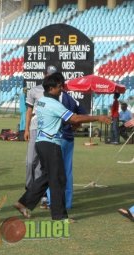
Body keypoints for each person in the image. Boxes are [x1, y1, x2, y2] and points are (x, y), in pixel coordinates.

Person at [13, 73, 111, 221]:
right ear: (51, 88)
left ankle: (23, 203)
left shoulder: (42, 101)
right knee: (58, 179)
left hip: (41, 142)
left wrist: (69, 123)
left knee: (47, 176)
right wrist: (98, 117)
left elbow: (55, 119)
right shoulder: (54, 104)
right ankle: (59, 216)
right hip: (51, 144)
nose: (62, 89)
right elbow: (75, 118)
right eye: (59, 87)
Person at [45, 72, 87, 210]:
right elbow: (82, 114)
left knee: (54, 172)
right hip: (69, 138)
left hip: (56, 139)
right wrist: (75, 125)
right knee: (67, 172)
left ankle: (53, 202)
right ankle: (66, 203)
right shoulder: (71, 99)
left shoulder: (53, 99)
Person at [24, 65, 57, 189]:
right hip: (34, 128)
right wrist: (26, 129)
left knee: (40, 164)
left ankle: (37, 190)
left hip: (48, 130)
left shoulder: (55, 91)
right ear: (44, 74)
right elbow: (29, 111)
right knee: (30, 161)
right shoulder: (34, 90)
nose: (50, 77)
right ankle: (28, 187)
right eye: (49, 75)